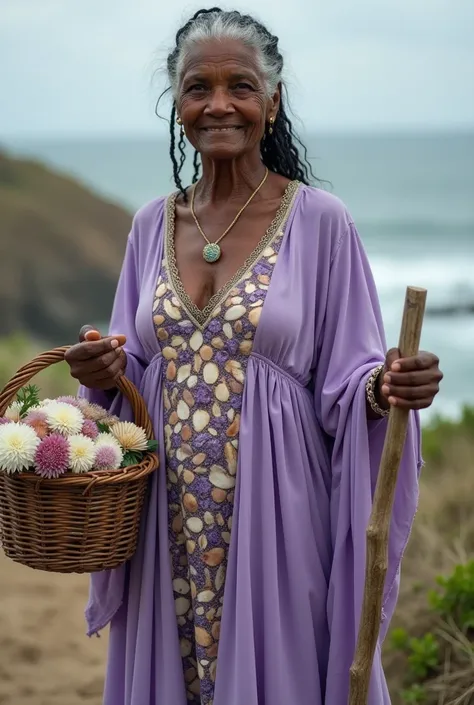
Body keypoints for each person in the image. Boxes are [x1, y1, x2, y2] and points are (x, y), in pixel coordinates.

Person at [65, 8, 443, 705]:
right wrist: (105, 376)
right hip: (166, 522)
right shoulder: (152, 224)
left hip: (278, 519)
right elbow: (130, 369)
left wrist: (386, 388)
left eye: (239, 85)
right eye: (196, 87)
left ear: (272, 102)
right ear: (176, 104)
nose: (218, 104)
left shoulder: (321, 221)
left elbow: (349, 378)